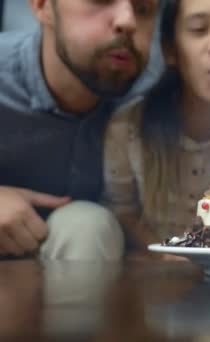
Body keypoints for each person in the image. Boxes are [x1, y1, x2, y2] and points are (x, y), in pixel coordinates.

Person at [0, 0, 160, 260]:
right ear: (42, 6)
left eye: (143, 9)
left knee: (86, 224)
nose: (128, 21)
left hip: (101, 275)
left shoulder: (159, 96)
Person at [102, 0, 210, 258]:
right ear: (170, 49)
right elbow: (122, 211)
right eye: (199, 29)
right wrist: (167, 253)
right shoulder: (129, 128)